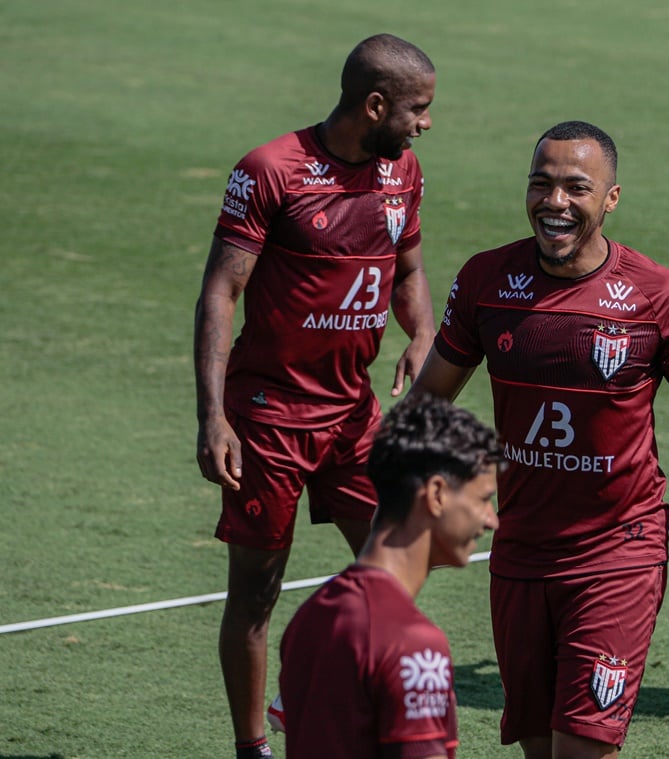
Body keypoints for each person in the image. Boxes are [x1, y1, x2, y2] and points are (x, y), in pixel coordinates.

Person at [411, 120, 669, 758]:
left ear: (610, 200)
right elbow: (429, 403)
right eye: (541, 184)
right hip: (520, 553)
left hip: (619, 555)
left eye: (576, 188)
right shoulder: (486, 280)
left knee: (582, 750)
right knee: (540, 750)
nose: (554, 202)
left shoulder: (661, 297)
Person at [193, 34, 437, 758]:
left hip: (352, 412)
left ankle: (299, 691)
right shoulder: (272, 171)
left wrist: (420, 330)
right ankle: (252, 746)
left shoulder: (404, 173)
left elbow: (409, 270)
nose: (426, 124)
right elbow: (220, 291)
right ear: (375, 104)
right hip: (268, 418)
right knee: (257, 591)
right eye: (418, 110)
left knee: (400, 553)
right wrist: (213, 415)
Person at [276, 394, 501, 759]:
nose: (492, 520)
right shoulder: (413, 644)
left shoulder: (311, 615)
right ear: (437, 495)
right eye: (483, 499)